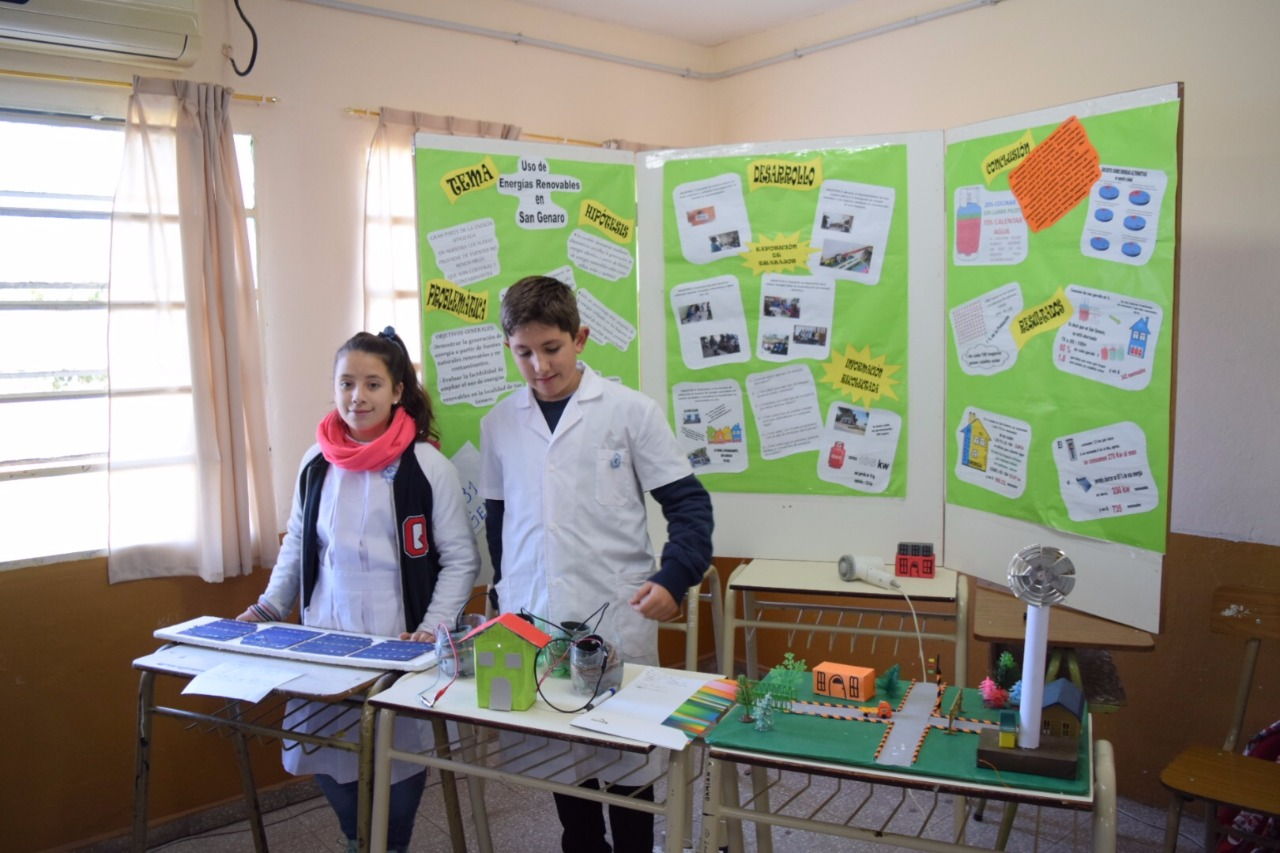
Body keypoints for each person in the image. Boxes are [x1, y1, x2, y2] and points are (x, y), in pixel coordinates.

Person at [479, 276, 714, 853]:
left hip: (614, 617)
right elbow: (498, 521)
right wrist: (500, 595)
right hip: (532, 617)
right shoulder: (499, 424)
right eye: (524, 352)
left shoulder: (629, 412)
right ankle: (581, 844)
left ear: (579, 338)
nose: (539, 365)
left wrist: (673, 576)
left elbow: (689, 506)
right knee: (560, 756)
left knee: (627, 762)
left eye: (551, 348)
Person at [238, 328, 479, 853]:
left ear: (397, 392)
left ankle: (389, 844)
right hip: (326, 638)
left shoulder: (426, 466)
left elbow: (462, 560)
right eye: (347, 383)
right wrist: (267, 607)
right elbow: (298, 547)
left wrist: (429, 630)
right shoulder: (315, 464)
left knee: (398, 760)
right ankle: (355, 838)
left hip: (399, 642)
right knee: (323, 751)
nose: (357, 396)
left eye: (373, 384)